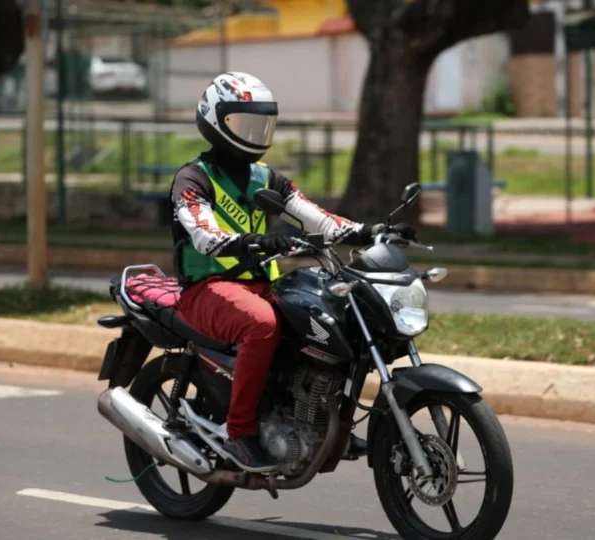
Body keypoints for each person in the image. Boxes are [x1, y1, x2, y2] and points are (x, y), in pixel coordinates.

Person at [169, 72, 417, 472]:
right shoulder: (194, 178)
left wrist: (371, 231)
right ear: (214, 122)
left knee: (329, 318)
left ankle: (323, 423)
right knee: (262, 324)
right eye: (243, 123)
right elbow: (204, 235)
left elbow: (319, 219)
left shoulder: (266, 178)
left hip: (258, 285)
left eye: (261, 123)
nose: (254, 133)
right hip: (207, 289)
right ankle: (241, 433)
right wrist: (257, 241)